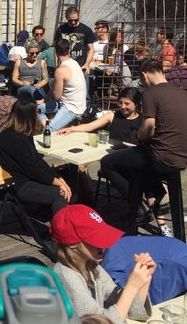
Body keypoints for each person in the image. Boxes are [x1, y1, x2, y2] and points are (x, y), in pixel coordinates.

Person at [99, 58, 187, 236]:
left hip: (159, 157)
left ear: (144, 75)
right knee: (135, 163)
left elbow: (148, 128)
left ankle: (139, 207)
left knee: (108, 162)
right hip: (181, 156)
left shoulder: (150, 93)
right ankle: (157, 193)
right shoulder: (181, 93)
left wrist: (138, 135)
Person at [50, 204, 154, 324]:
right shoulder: (66, 276)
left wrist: (144, 279)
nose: (103, 246)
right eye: (95, 239)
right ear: (73, 244)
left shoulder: (91, 265)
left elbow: (132, 311)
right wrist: (131, 287)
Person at [0, 100, 71, 218]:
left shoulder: (20, 134)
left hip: (22, 178)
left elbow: (38, 161)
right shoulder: (15, 140)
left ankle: (46, 213)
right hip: (16, 185)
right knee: (61, 194)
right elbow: (33, 170)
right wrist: (58, 183)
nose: (38, 115)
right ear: (29, 117)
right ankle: (59, 232)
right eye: (37, 113)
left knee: (67, 178)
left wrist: (59, 178)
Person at [58, 87, 142, 143]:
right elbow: (89, 126)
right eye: (120, 103)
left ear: (136, 104)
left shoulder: (143, 120)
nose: (123, 106)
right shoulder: (112, 116)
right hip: (112, 154)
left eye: (127, 104)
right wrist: (71, 129)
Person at [38, 38, 87, 132]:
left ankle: (48, 127)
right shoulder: (74, 63)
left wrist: (54, 84)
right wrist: (44, 100)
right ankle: (47, 122)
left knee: (48, 131)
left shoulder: (61, 71)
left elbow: (56, 96)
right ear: (69, 50)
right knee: (37, 109)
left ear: (55, 51)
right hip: (76, 103)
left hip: (71, 108)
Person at [54, 7, 96, 75]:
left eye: (76, 20)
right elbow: (56, 48)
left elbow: (91, 49)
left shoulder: (86, 30)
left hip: (80, 66)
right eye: (70, 20)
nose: (73, 22)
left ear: (78, 16)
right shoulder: (61, 29)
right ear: (66, 18)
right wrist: (56, 65)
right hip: (65, 66)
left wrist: (87, 65)